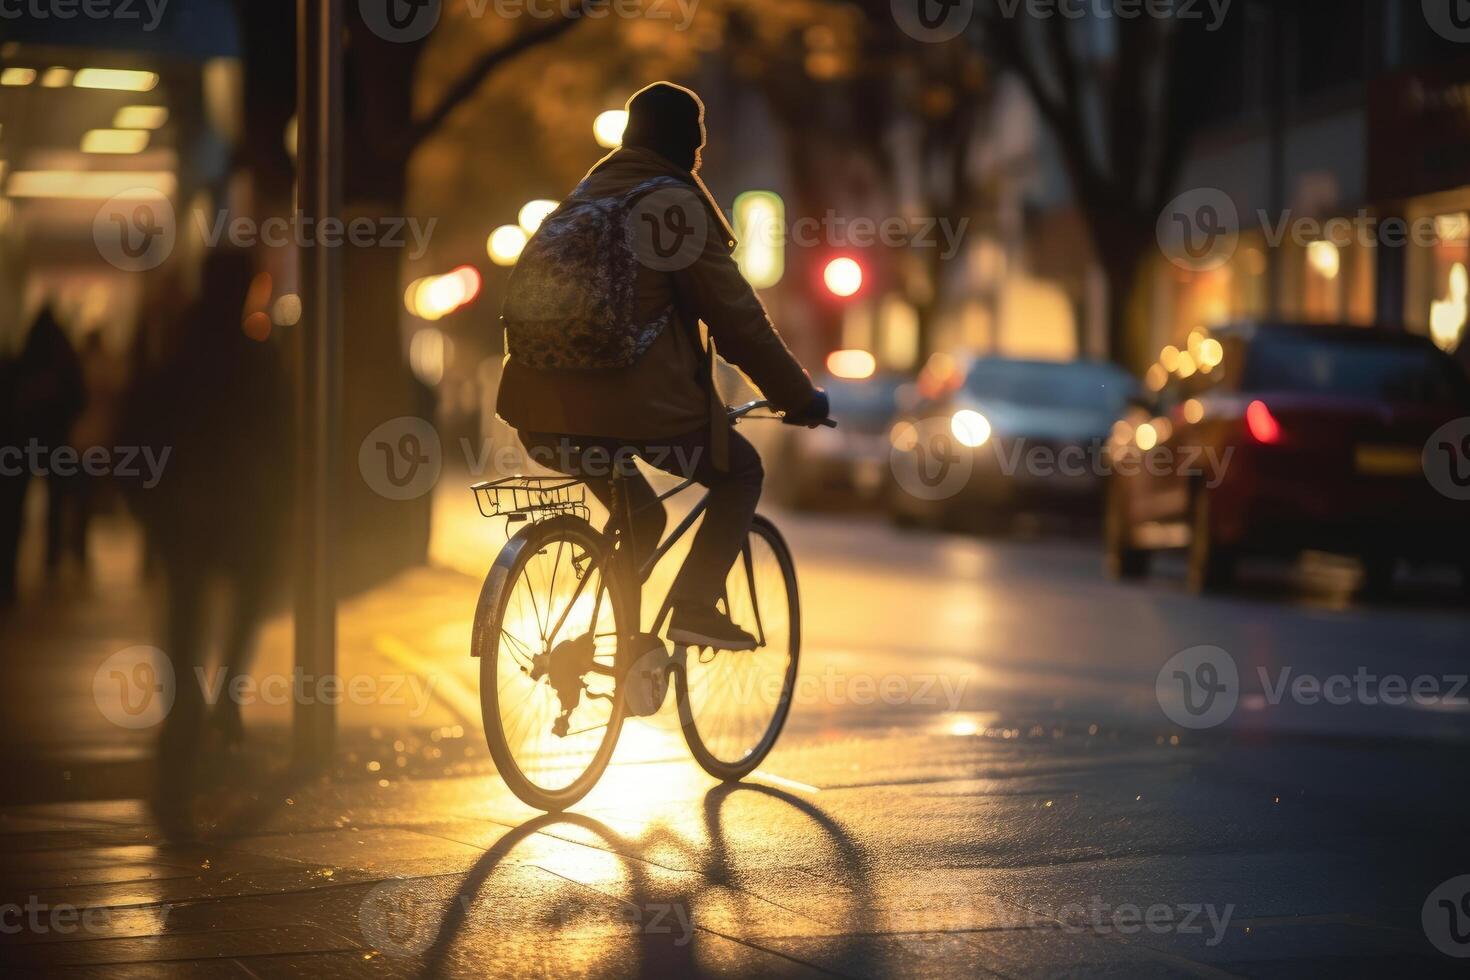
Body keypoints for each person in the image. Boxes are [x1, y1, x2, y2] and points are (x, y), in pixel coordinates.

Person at [496, 81, 829, 651]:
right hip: (638, 409)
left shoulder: (582, 199)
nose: (699, 156)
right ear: (686, 145)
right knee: (740, 472)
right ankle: (695, 608)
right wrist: (798, 396)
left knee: (642, 519)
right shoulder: (671, 209)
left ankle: (617, 644)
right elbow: (737, 321)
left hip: (539, 411)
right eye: (696, 144)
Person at [120, 251, 292, 834]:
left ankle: (186, 714)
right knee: (251, 593)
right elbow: (283, 435)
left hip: (186, 511)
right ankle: (226, 696)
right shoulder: (255, 356)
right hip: (242, 509)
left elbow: (139, 422)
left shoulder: (181, 349)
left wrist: (148, 503)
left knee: (186, 613)